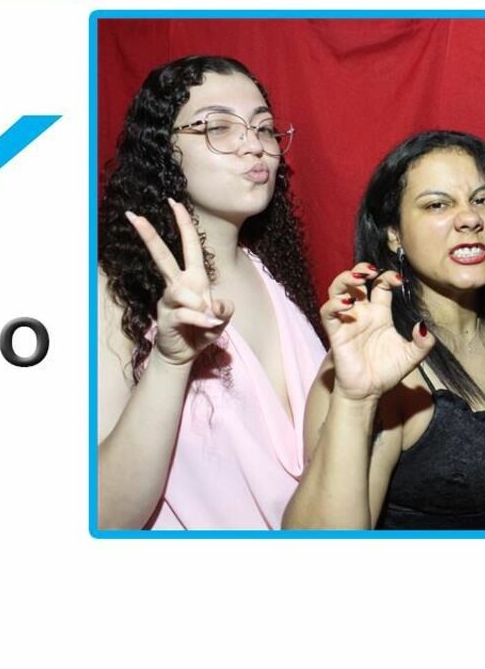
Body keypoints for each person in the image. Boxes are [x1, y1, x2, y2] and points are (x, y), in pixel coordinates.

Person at [284, 132, 485, 530]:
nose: (469, 218)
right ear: (393, 233)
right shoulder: (375, 362)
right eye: (437, 204)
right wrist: (355, 399)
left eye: (482, 199)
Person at [96, 56, 326, 530]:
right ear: (163, 150)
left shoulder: (276, 276)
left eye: (264, 129)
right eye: (219, 127)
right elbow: (103, 515)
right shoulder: (114, 288)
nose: (254, 145)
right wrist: (170, 361)